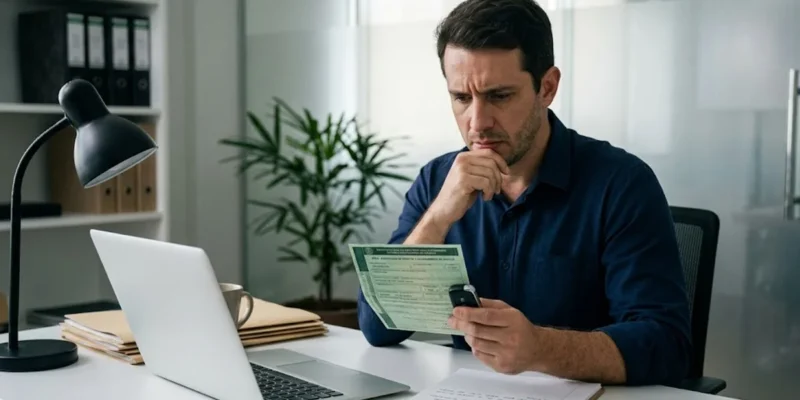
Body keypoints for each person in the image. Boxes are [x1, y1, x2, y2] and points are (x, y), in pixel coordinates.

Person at [356, 0, 691, 388]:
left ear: (546, 87)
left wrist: (541, 348)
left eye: (499, 96)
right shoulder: (437, 180)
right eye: (462, 98)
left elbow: (667, 346)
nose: (477, 123)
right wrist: (437, 218)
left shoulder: (622, 184)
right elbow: (377, 328)